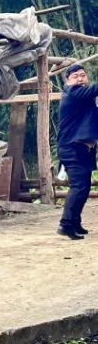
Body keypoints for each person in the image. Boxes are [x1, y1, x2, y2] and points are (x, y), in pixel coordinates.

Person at [56, 64, 98, 240]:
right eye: (75, 76)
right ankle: (65, 224)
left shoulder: (84, 97)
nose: (80, 79)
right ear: (67, 81)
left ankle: (74, 222)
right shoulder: (72, 93)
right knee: (79, 186)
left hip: (82, 149)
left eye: (83, 75)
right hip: (71, 147)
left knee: (84, 186)